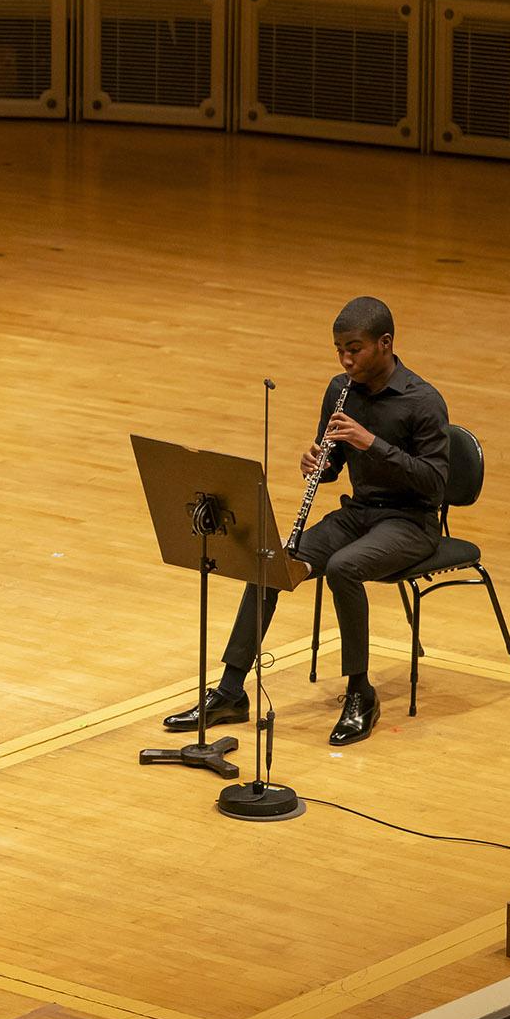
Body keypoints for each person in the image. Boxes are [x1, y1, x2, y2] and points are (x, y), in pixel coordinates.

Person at [162, 297, 448, 745]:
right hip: (358, 515)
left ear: (385, 343)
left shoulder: (423, 401)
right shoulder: (341, 390)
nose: (345, 359)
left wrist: (372, 443)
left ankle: (360, 693)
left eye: (354, 348)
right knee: (270, 561)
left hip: (411, 523)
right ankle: (232, 691)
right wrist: (316, 460)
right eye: (339, 350)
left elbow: (434, 483)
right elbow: (331, 469)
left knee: (343, 568)